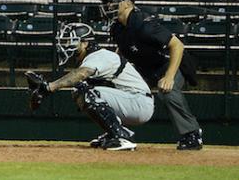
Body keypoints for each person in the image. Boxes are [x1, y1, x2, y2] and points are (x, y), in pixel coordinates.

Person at [98, 0, 203, 150]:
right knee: (112, 89)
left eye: (112, 1)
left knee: (167, 92)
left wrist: (169, 77)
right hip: (144, 67)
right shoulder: (117, 27)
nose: (108, 6)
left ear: (126, 3)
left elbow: (177, 46)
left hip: (169, 63)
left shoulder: (144, 24)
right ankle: (115, 132)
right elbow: (121, 52)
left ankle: (192, 135)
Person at [25, 23, 154, 151]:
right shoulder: (92, 58)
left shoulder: (99, 56)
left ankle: (122, 137)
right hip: (131, 100)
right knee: (81, 89)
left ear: (85, 43)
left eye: (72, 41)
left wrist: (49, 87)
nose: (67, 45)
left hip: (139, 101)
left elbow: (81, 73)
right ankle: (114, 132)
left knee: (89, 94)